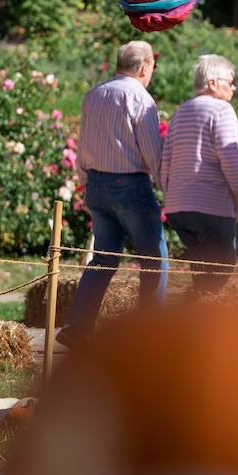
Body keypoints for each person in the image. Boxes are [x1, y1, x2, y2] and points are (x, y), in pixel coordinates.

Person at [63, 41, 167, 345]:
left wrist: (86, 178)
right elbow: (151, 151)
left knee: (103, 259)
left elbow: (83, 143)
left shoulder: (94, 94)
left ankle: (78, 326)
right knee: (154, 257)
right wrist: (164, 183)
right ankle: (152, 330)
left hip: (96, 184)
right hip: (130, 185)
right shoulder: (140, 98)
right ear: (145, 67)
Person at [162, 54, 238, 293]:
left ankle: (193, 323)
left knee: (203, 274)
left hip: (179, 207)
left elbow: (166, 160)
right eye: (229, 82)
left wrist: (169, 195)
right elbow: (230, 157)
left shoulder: (181, 112)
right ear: (212, 82)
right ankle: (200, 322)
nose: (233, 88)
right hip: (211, 205)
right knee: (222, 271)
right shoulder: (221, 109)